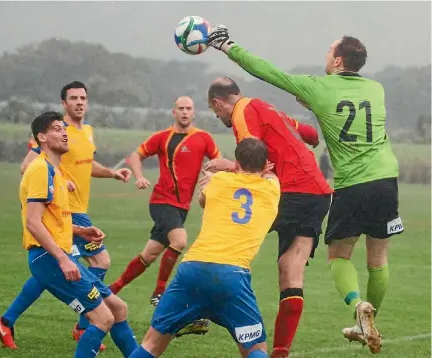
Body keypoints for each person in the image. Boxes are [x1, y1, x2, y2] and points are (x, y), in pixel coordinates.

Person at [207, 29, 403, 353]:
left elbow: (267, 71)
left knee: (335, 256)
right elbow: (315, 130)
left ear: (338, 60)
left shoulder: (316, 87)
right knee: (369, 259)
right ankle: (363, 319)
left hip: (342, 184)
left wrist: (227, 46)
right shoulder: (376, 89)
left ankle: (355, 304)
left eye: (329, 51)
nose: (325, 55)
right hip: (378, 180)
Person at [0, 81, 132, 351]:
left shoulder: (67, 156)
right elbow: (34, 221)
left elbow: (86, 165)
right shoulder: (41, 169)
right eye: (58, 129)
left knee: (119, 308)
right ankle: (83, 324)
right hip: (52, 251)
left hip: (67, 230)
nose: (80, 102)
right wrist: (62, 258)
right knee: (103, 311)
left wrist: (81, 232)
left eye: (84, 97)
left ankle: (7, 321)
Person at [204, 77, 332, 358]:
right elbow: (310, 133)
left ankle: (202, 301)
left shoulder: (241, 114)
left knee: (230, 234)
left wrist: (227, 166)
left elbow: (252, 160)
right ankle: (280, 353)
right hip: (318, 192)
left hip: (291, 190)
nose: (219, 116)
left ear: (218, 102)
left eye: (216, 113)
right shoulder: (268, 108)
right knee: (291, 267)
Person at [128, 137, 280, 358]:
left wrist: (219, 176)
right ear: (265, 164)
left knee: (152, 343)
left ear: (237, 164)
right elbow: (271, 177)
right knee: (255, 349)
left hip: (193, 268)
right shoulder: (272, 189)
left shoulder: (219, 181)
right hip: (232, 275)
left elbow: (201, 200)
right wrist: (264, 171)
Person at [109, 96, 220, 336]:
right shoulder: (162, 137)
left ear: (194, 112)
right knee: (179, 241)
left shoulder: (203, 138)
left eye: (188, 108)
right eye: (180, 108)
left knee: (149, 254)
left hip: (181, 207)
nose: (184, 112)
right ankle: (159, 292)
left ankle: (109, 291)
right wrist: (139, 176)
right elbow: (136, 155)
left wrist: (216, 175)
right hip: (161, 201)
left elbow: (217, 161)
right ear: (174, 112)